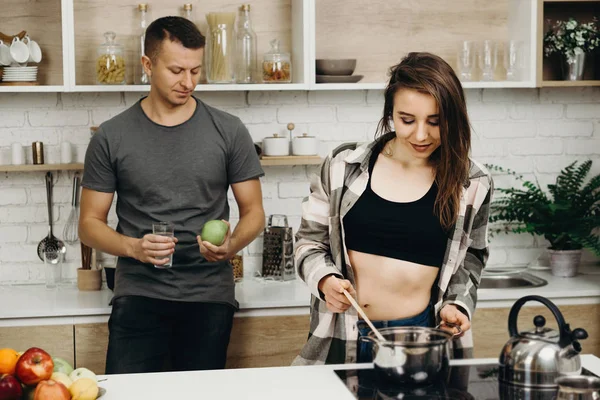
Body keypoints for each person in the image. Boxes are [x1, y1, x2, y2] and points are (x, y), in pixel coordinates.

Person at [79, 16, 265, 374]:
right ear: (147, 65)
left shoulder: (229, 130)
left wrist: (232, 245)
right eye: (177, 70)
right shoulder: (111, 137)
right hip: (138, 294)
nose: (189, 82)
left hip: (208, 295)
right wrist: (134, 247)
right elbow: (89, 225)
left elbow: (254, 211)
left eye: (196, 71)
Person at [293, 52, 493, 365]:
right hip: (343, 333)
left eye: (435, 122)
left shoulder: (473, 183)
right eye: (407, 120)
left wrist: (458, 304)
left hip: (419, 340)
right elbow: (308, 242)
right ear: (390, 113)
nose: (421, 135)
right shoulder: (342, 167)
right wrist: (324, 280)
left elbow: (471, 258)